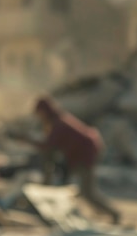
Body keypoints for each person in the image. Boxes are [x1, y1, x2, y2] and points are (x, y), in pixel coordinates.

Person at [13, 95, 120, 224]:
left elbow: (48, 146)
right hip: (80, 154)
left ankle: (113, 214)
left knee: (87, 192)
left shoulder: (59, 124)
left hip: (84, 155)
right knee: (79, 189)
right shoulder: (57, 121)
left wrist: (28, 141)